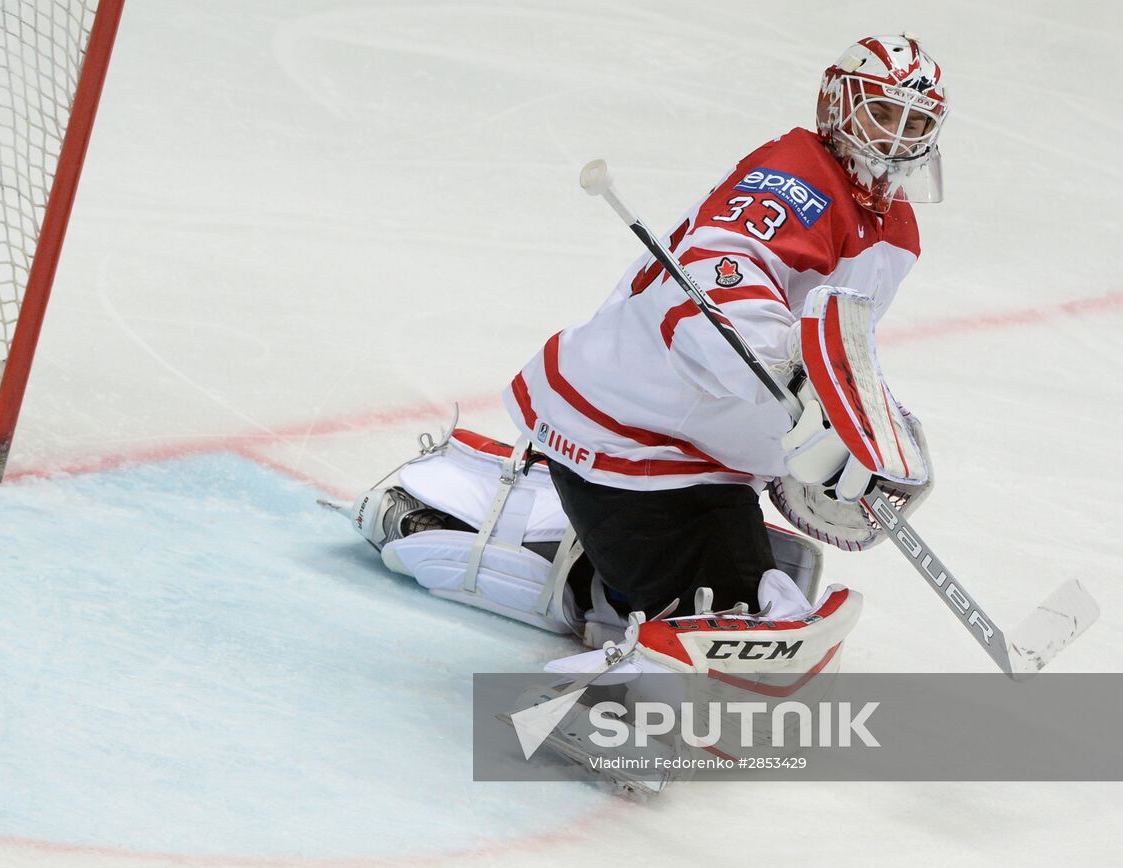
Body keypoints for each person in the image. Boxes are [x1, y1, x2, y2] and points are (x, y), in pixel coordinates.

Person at [341, 34, 945, 648]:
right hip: (636, 437)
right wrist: (796, 387)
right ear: (836, 103)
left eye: (916, 120)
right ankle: (562, 575)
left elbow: (829, 340)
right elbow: (717, 283)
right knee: (737, 620)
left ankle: (583, 564)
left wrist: (855, 427)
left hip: (694, 443)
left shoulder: (895, 227)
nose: (896, 137)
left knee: (782, 578)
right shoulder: (799, 178)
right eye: (882, 110)